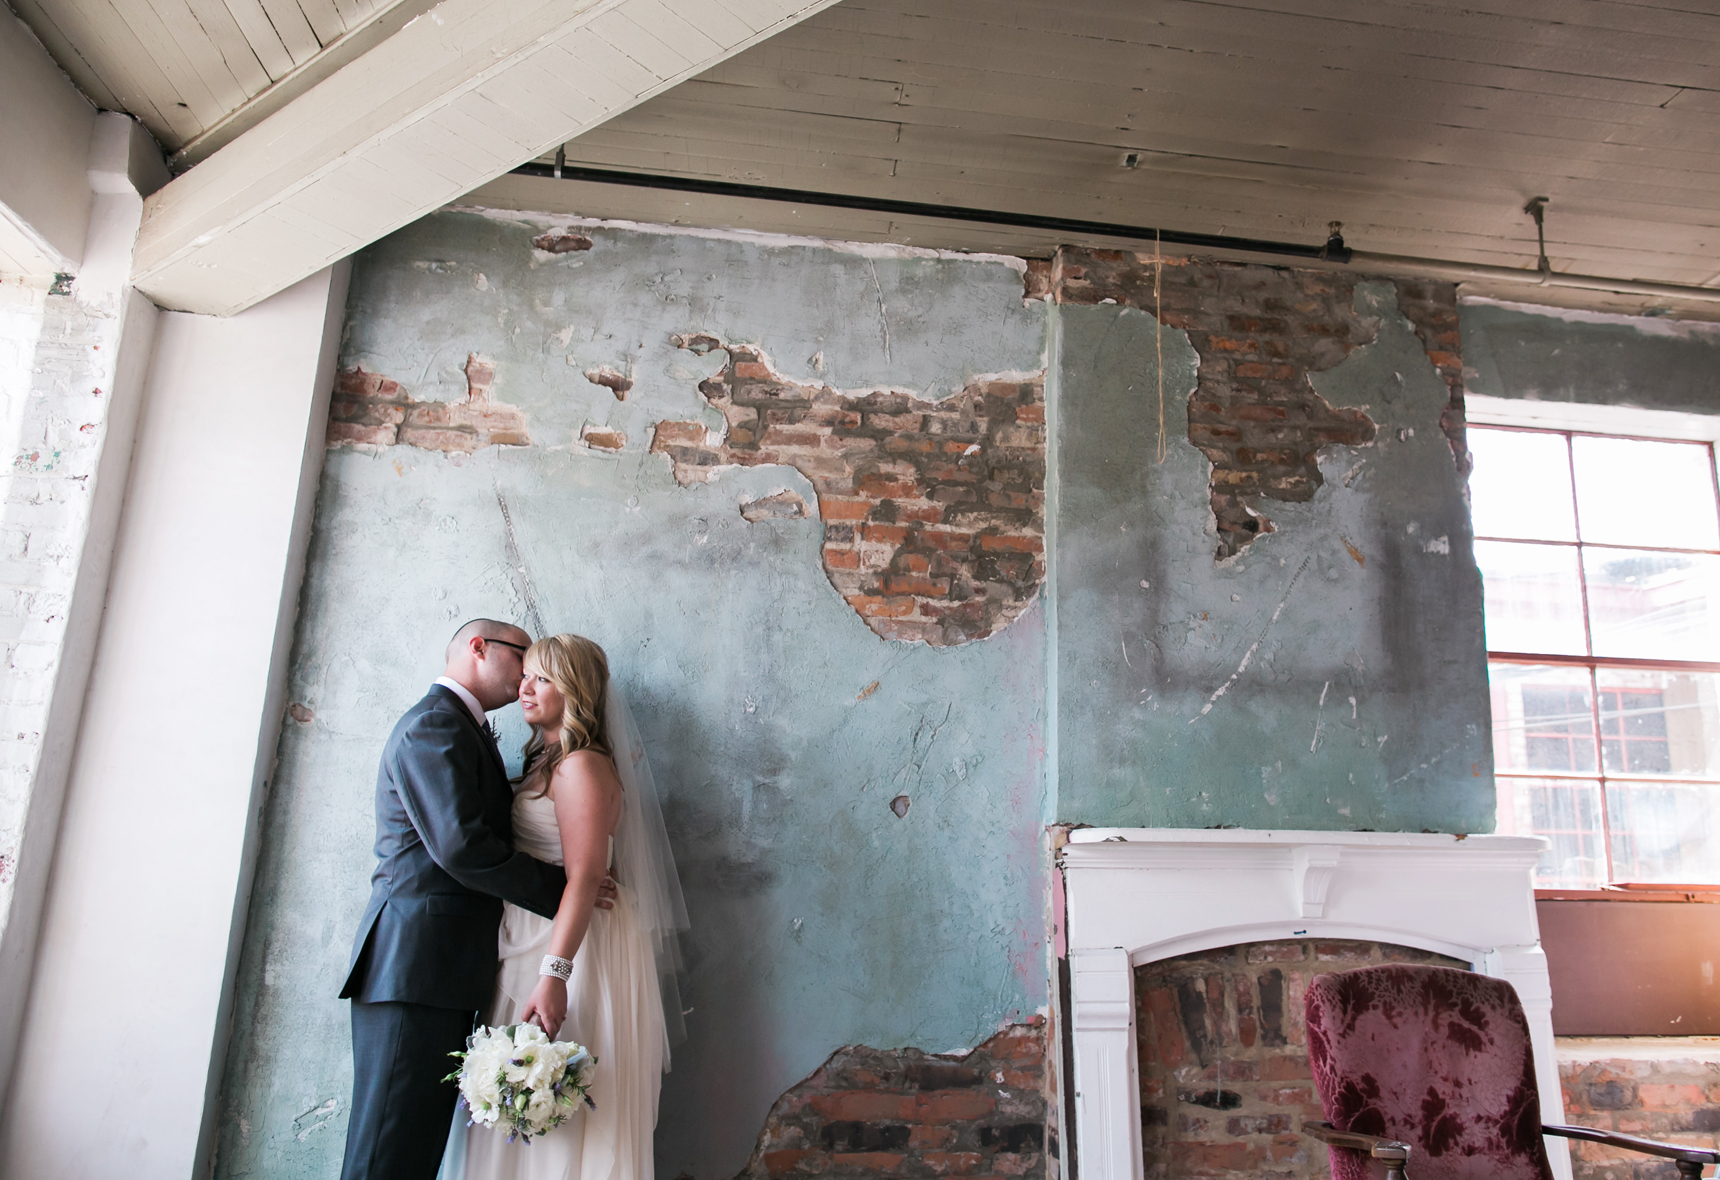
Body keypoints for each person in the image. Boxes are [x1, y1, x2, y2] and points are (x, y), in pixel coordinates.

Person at [339, 620, 615, 1180]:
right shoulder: (434, 727)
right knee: (386, 1152)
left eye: (541, 674)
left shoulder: (471, 730)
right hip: (413, 968)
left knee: (413, 1147)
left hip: (447, 971)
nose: (523, 681)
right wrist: (566, 889)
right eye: (522, 662)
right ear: (480, 648)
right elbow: (461, 847)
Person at [446, 633, 688, 1180]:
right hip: (533, 935)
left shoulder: (580, 766)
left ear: (575, 690)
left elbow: (585, 878)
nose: (524, 687)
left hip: (572, 948)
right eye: (525, 674)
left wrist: (555, 974)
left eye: (542, 679)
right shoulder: (548, 760)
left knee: (562, 1106)